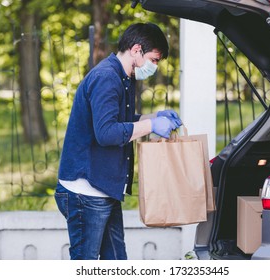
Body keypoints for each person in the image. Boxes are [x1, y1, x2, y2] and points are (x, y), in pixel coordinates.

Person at [55, 22, 182, 260]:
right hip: (86, 191)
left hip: (104, 188)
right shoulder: (106, 78)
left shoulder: (124, 77)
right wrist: (152, 126)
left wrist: (153, 117)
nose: (155, 67)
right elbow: (107, 133)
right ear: (136, 50)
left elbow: (120, 120)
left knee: (117, 262)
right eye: (154, 60)